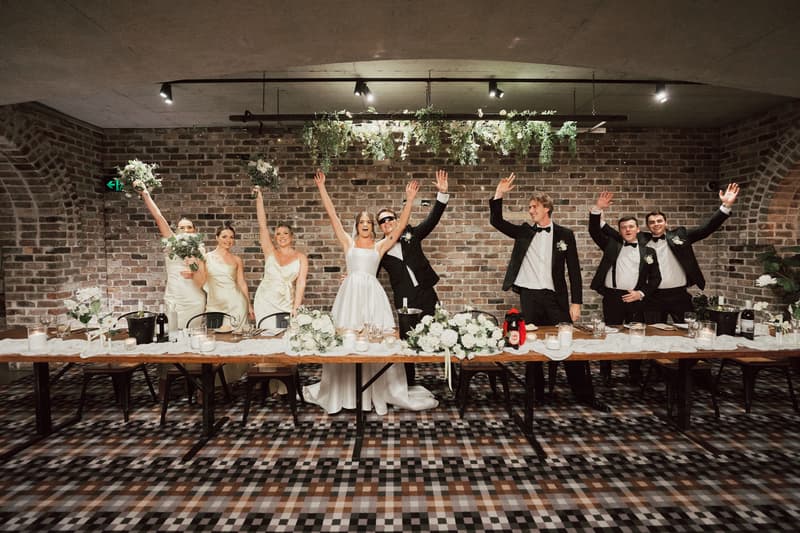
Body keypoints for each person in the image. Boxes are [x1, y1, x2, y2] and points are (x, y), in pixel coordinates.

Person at [303, 170, 438, 415]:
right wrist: (322, 188)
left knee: (377, 343)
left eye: (368, 223)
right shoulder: (348, 243)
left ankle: (375, 392)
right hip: (350, 295)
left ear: (372, 227)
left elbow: (399, 230)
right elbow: (332, 216)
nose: (365, 226)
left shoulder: (380, 246)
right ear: (356, 227)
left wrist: (409, 200)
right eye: (361, 223)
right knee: (347, 341)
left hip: (373, 296)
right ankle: (345, 393)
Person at [489, 173, 593, 405]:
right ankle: (535, 395)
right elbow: (497, 222)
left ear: (547, 208)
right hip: (530, 296)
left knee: (568, 345)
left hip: (555, 297)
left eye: (534, 207)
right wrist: (499, 195)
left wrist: (576, 303)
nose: (530, 211)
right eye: (529, 207)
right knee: (532, 344)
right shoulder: (525, 232)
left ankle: (585, 396)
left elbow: (574, 271)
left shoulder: (565, 235)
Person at [600, 184, 740, 324]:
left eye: (659, 221)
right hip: (652, 297)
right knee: (652, 333)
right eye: (652, 222)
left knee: (688, 330)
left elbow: (706, 229)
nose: (656, 224)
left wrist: (725, 207)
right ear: (647, 226)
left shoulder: (680, 236)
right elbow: (617, 233)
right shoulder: (641, 240)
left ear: (666, 223)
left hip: (678, 295)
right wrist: (598, 214)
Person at [377, 169, 449, 384]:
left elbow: (432, 220)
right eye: (382, 221)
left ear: (397, 219)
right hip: (405, 299)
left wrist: (442, 195)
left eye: (390, 218)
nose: (387, 222)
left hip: (426, 292)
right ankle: (408, 382)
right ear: (380, 226)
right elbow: (368, 269)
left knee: (441, 334)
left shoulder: (412, 235)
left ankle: (449, 378)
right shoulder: (381, 249)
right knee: (407, 342)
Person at [589, 192, 662, 383]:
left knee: (634, 334)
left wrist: (641, 293)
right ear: (620, 231)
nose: (627, 230)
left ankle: (634, 372)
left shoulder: (649, 251)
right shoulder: (611, 245)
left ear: (638, 229)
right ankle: (605, 372)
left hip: (635, 297)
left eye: (631, 227)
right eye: (623, 228)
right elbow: (594, 231)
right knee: (609, 334)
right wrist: (598, 209)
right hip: (613, 296)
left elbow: (656, 278)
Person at [194, 222, 253, 383]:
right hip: (215, 305)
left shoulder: (236, 259)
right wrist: (194, 266)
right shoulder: (206, 258)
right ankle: (215, 383)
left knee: (236, 343)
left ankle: (232, 382)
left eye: (231, 237)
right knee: (216, 343)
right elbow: (199, 282)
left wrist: (249, 304)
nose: (228, 240)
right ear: (217, 238)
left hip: (236, 304)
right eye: (224, 236)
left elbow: (242, 283)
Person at [138, 189, 205, 329]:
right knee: (172, 334)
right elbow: (158, 216)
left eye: (189, 227)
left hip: (194, 298)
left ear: (195, 231)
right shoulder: (171, 242)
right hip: (174, 295)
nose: (186, 230)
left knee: (194, 336)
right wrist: (145, 194)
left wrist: (193, 270)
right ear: (176, 230)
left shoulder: (200, 250)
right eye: (182, 227)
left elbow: (202, 281)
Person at [253, 187, 308, 327]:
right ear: (274, 237)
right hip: (265, 300)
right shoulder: (269, 251)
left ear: (291, 237)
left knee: (284, 336)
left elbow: (301, 283)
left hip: (286, 302)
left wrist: (296, 307)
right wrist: (259, 198)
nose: (281, 236)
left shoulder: (301, 257)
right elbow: (262, 226)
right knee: (265, 336)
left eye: (285, 233)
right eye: (278, 234)